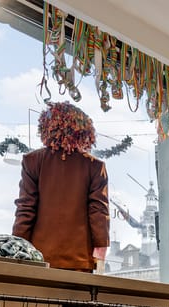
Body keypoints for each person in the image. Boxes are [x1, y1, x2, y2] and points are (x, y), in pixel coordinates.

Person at [13, 102, 110, 272]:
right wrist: (100, 256)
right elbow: (99, 213)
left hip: (39, 259)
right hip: (79, 260)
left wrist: (15, 250)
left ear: (46, 128)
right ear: (83, 131)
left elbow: (25, 209)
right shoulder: (95, 166)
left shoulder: (32, 161)